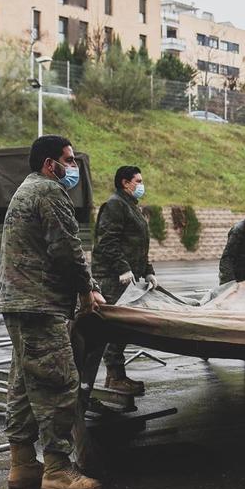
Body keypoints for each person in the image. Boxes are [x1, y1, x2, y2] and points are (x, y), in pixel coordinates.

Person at [0, 135, 105, 489]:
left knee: (25, 386)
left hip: (19, 304)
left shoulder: (25, 190)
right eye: (69, 160)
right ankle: (58, 471)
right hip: (39, 305)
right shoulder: (49, 191)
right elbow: (67, 250)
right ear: (50, 163)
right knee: (58, 383)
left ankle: (23, 464)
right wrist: (86, 289)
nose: (72, 167)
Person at [91, 165, 156, 395]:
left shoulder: (131, 206)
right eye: (138, 181)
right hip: (112, 277)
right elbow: (107, 241)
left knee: (123, 327)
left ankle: (116, 375)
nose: (141, 185)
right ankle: (115, 377)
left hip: (128, 276)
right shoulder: (115, 205)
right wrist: (122, 268)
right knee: (117, 327)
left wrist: (148, 270)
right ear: (125, 183)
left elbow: (139, 244)